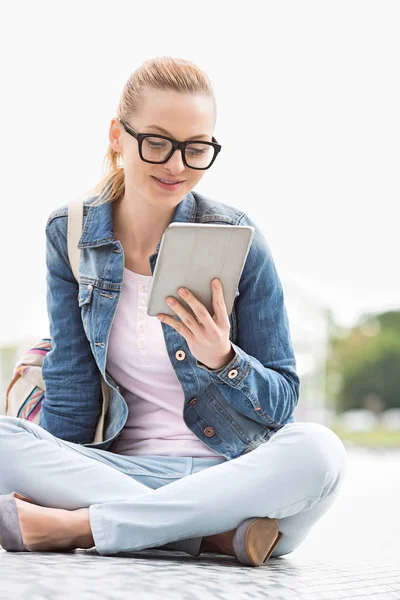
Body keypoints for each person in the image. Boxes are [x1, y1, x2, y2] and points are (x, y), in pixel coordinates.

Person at [0, 56, 347, 567]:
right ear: (118, 135)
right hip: (123, 474)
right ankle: (210, 537)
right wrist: (42, 466)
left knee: (319, 452)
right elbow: (73, 394)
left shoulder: (239, 239)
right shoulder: (70, 235)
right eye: (157, 143)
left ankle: (82, 526)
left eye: (196, 148)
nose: (177, 165)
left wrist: (223, 359)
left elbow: (283, 403)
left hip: (232, 478)